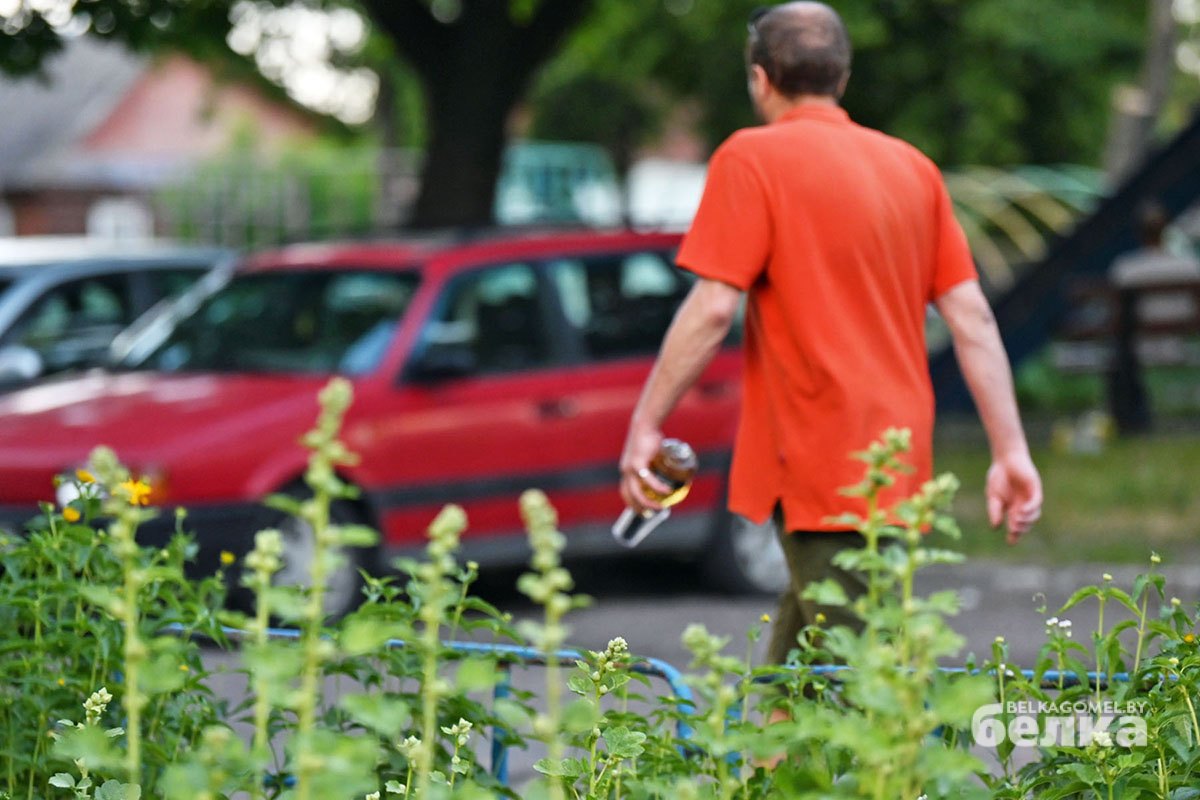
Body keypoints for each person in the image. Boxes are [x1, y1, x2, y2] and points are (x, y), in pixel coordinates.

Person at [618, 1, 1042, 665]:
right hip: (892, 460)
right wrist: (1010, 449)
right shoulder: (912, 168)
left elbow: (710, 310)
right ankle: (771, 771)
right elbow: (973, 318)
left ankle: (865, 772)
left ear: (760, 78)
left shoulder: (751, 158)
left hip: (820, 460)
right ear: (841, 79)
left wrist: (646, 424)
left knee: (862, 678)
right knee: (806, 671)